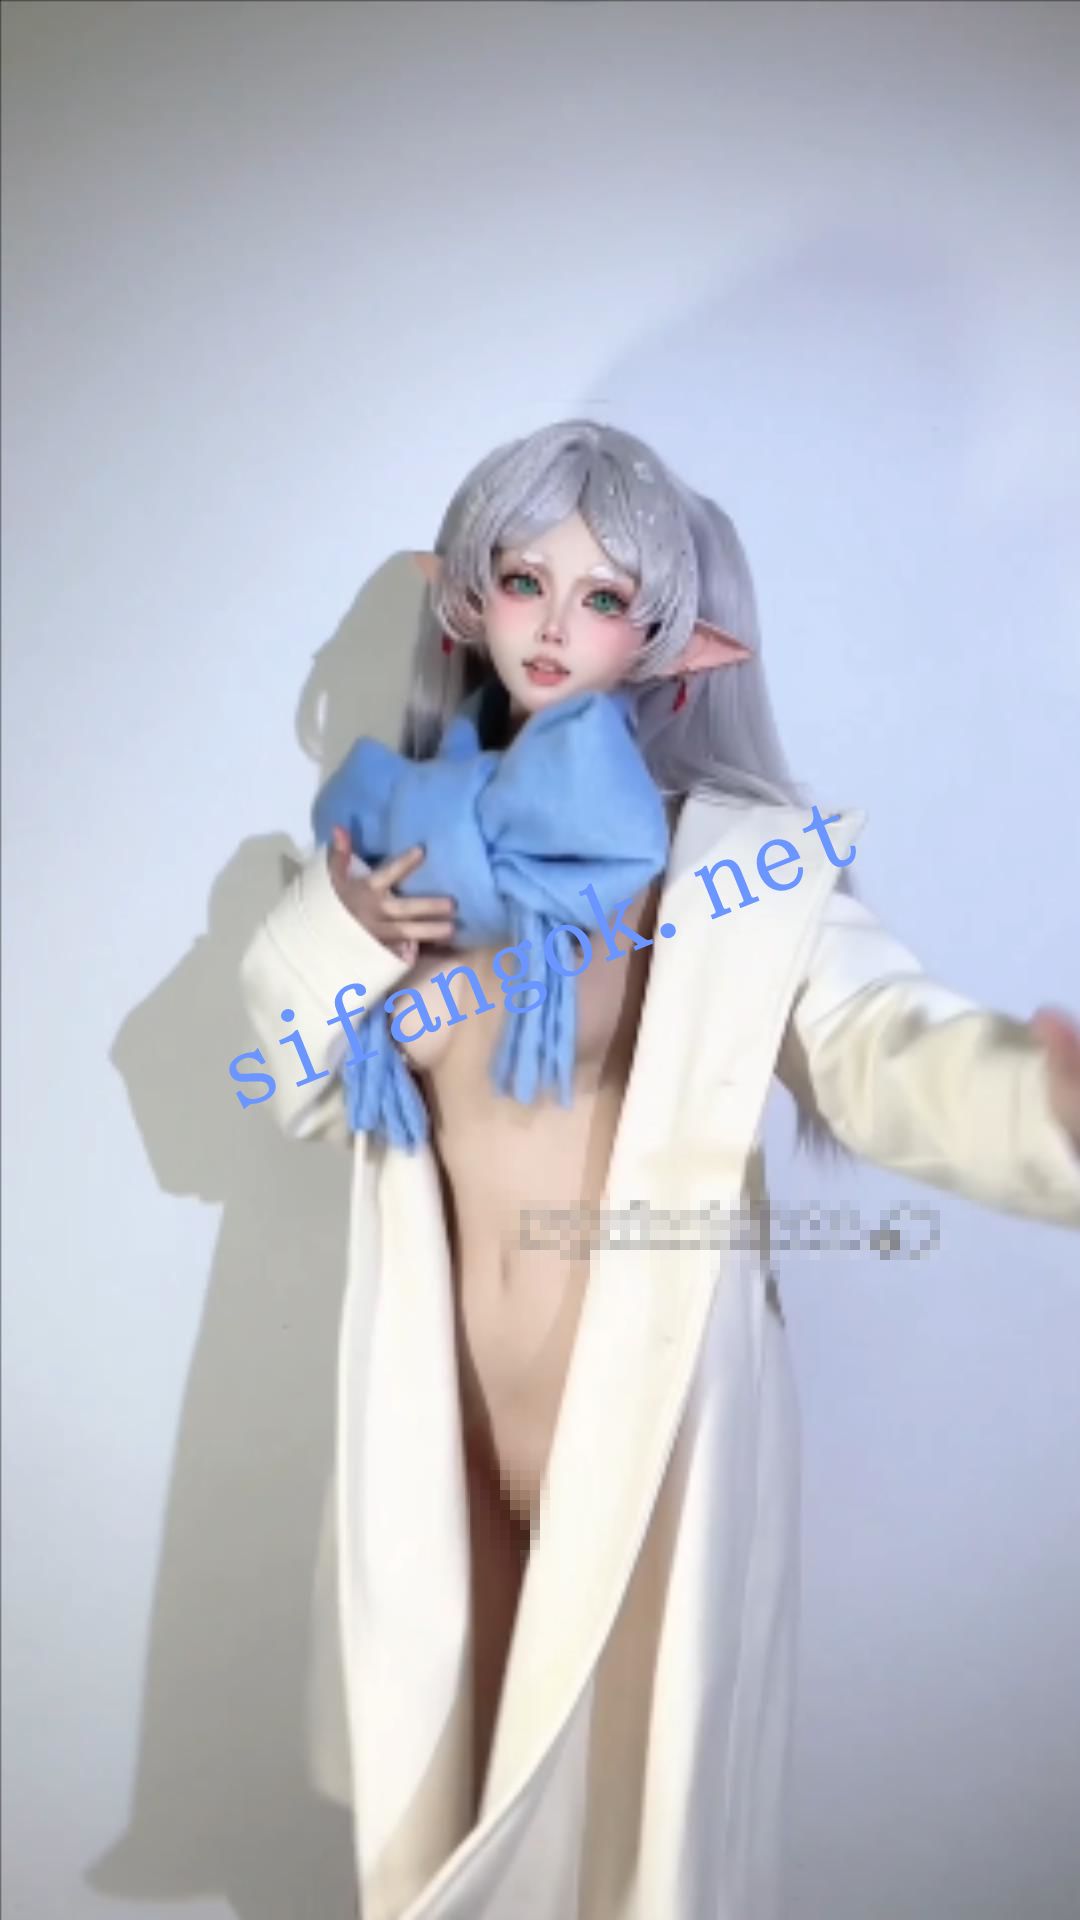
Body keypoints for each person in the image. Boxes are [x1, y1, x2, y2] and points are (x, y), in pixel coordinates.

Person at [238, 420, 1080, 1920]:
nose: (555, 625)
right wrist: (345, 934)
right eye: (524, 580)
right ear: (464, 598)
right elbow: (294, 1082)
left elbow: (881, 1046)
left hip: (654, 1421)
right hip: (445, 1409)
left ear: (676, 640)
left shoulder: (737, 869)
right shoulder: (393, 848)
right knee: (450, 1808)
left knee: (629, 1833)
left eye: (606, 596)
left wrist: (1045, 1110)